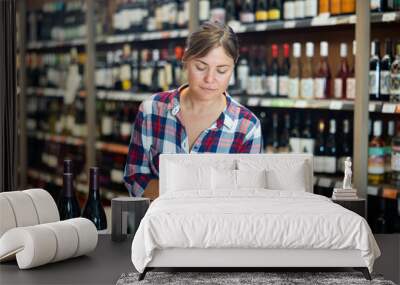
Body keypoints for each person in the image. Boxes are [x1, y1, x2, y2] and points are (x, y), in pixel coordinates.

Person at [124, 21, 262, 199]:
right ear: (185, 60)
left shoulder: (247, 127)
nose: (210, 79)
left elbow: (246, 197)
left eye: (222, 70)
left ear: (233, 68)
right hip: (160, 224)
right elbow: (135, 177)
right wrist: (192, 198)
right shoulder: (151, 111)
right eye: (201, 67)